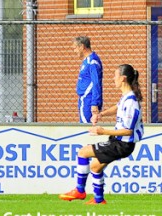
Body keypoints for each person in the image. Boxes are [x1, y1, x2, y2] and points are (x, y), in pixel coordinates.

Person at [59, 64, 143, 204]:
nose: (113, 78)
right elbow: (117, 107)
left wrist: (102, 131)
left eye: (115, 76)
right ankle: (99, 199)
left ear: (123, 78)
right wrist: (102, 114)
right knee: (95, 166)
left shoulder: (131, 102)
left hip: (122, 144)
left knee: (83, 152)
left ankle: (79, 190)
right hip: (120, 142)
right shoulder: (126, 98)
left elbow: (128, 131)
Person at [74, 36, 103, 124]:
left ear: (82, 47)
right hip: (84, 100)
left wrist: (94, 103)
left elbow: (96, 83)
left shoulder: (92, 61)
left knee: (86, 129)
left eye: (75, 48)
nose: (74, 51)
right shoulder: (86, 61)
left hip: (88, 100)